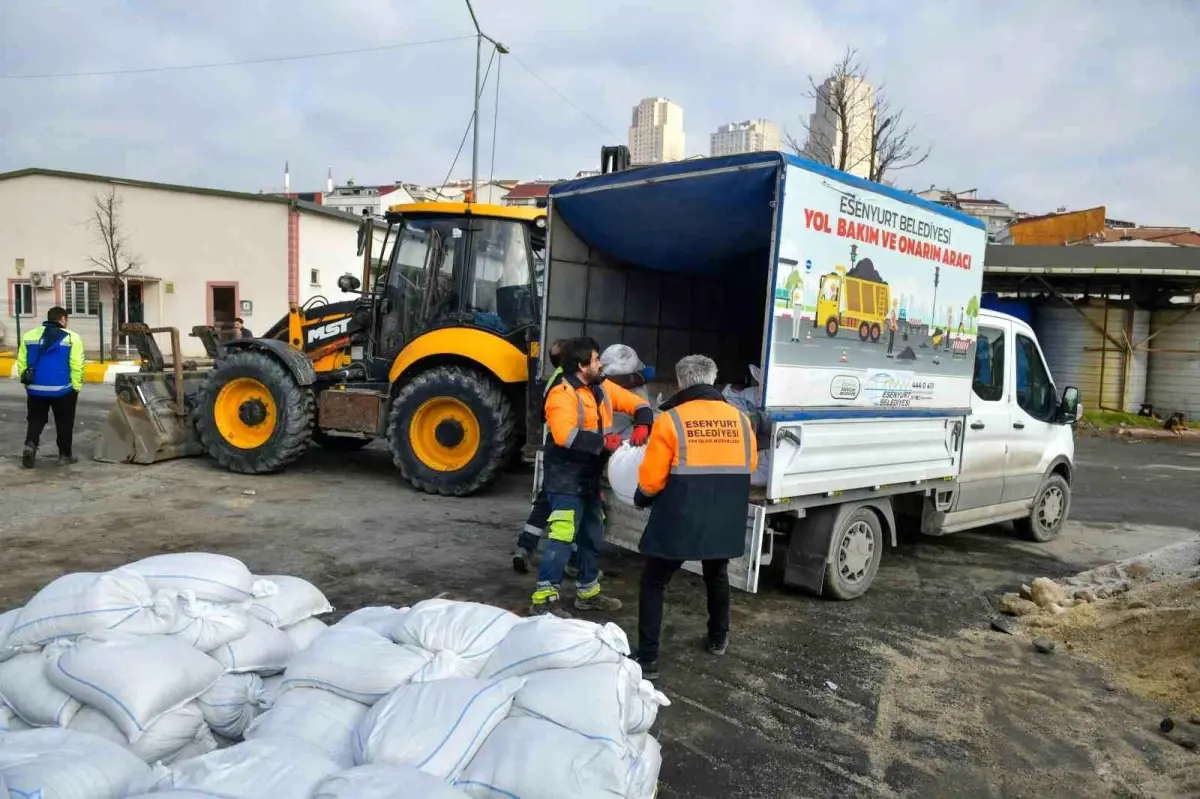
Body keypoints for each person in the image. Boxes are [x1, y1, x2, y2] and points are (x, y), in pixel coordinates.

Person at [633, 354, 757, 679]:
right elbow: (750, 466)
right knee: (716, 574)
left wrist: (641, 499)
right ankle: (718, 639)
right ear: (713, 380)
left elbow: (651, 480)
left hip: (680, 517)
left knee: (654, 580)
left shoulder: (671, 420)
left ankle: (648, 659)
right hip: (724, 516)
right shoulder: (741, 420)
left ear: (680, 381)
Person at [532, 336, 653, 617]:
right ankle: (544, 598)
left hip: (589, 477)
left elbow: (639, 405)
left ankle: (587, 593)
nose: (602, 365)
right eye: (597, 360)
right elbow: (565, 435)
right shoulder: (562, 393)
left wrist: (643, 424)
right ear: (581, 365)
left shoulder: (601, 388)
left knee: (592, 535)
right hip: (565, 478)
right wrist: (604, 442)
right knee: (562, 536)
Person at [512, 339, 567, 574]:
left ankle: (524, 548)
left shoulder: (555, 377)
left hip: (555, 449)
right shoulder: (566, 381)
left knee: (545, 502)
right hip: (565, 452)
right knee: (574, 510)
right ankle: (573, 563)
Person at [17, 306, 85, 469]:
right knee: (64, 422)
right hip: (63, 389)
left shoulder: (29, 335)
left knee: (35, 420)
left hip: (35, 388)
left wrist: (27, 384)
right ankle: (64, 455)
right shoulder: (71, 338)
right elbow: (77, 365)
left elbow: (22, 362)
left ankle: (30, 446)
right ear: (62, 319)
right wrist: (76, 387)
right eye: (66, 320)